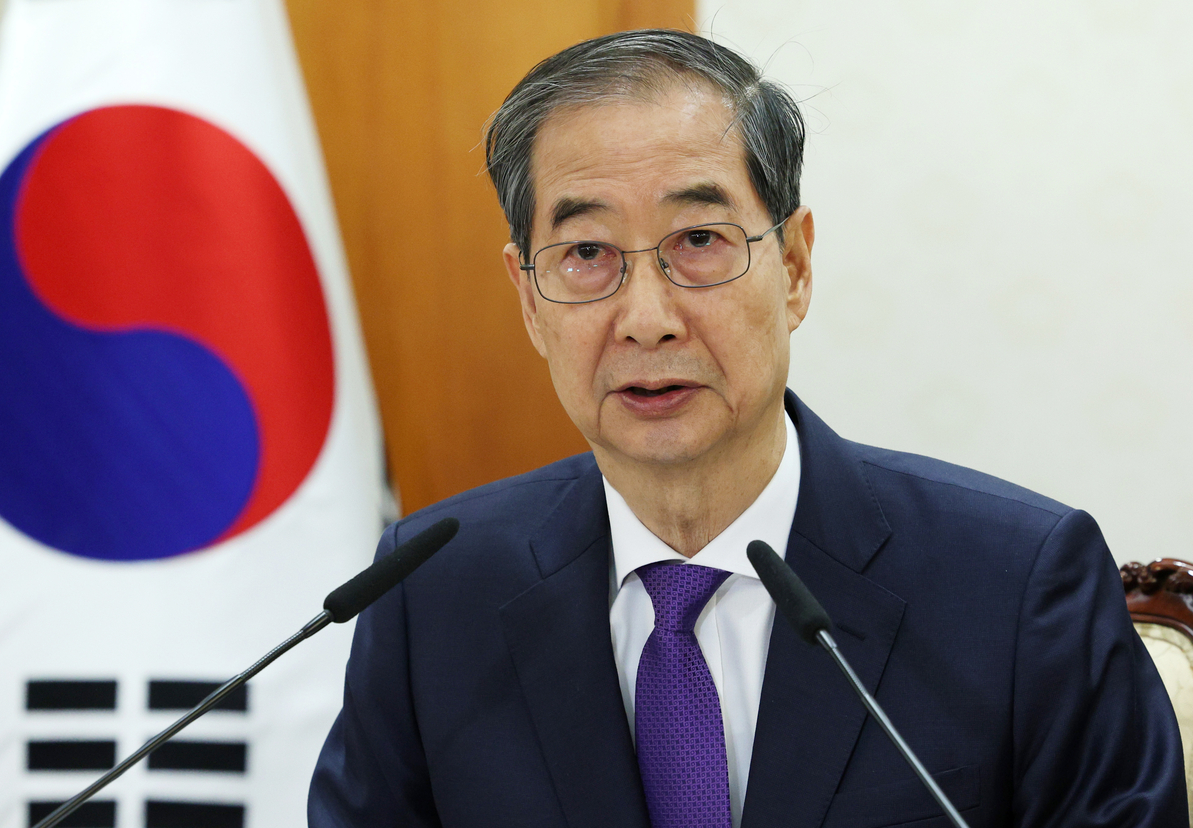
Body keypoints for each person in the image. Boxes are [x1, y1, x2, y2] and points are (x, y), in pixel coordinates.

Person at [308, 29, 1185, 828]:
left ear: (795, 267)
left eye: (699, 240)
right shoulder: (431, 595)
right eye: (586, 255)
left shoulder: (1018, 585)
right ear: (528, 300)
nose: (646, 318)